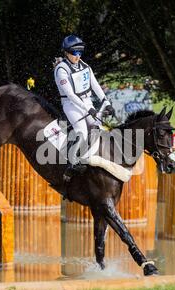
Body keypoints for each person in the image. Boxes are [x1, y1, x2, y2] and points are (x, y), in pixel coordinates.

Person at [54, 34, 114, 181]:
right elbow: (70, 94)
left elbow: (95, 86)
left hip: (87, 102)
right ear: (67, 52)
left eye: (80, 53)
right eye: (75, 53)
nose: (78, 56)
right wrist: (88, 109)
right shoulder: (61, 70)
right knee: (82, 132)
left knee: (97, 128)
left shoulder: (85, 66)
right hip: (71, 105)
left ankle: (88, 158)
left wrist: (106, 102)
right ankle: (71, 163)